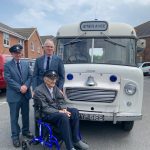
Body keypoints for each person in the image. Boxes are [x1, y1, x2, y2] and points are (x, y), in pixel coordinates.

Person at [33, 70, 89, 150]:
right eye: (51, 79)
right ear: (45, 79)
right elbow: (45, 108)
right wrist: (60, 111)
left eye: (55, 78)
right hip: (45, 114)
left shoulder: (55, 87)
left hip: (57, 111)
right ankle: (70, 147)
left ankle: (76, 140)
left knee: (74, 112)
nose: (54, 81)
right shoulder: (39, 90)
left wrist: (65, 109)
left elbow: (61, 101)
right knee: (63, 116)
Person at [4, 44, 33, 148]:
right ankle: (15, 136)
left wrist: (26, 85)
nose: (18, 54)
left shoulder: (26, 64)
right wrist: (20, 87)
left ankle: (25, 131)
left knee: (25, 115)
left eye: (19, 52)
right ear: (12, 54)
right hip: (14, 96)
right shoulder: (7, 65)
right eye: (15, 53)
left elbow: (30, 76)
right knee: (14, 117)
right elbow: (8, 79)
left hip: (25, 95)